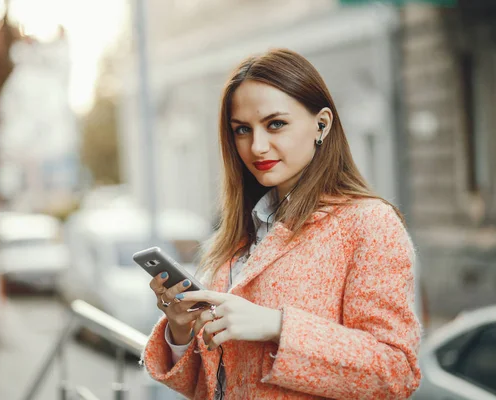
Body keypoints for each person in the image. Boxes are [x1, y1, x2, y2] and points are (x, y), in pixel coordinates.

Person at [142, 49, 421, 399]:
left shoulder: (368, 223)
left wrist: (276, 326)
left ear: (322, 124)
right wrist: (181, 330)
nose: (257, 147)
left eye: (275, 124)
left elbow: (396, 373)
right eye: (242, 130)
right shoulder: (240, 231)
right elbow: (217, 385)